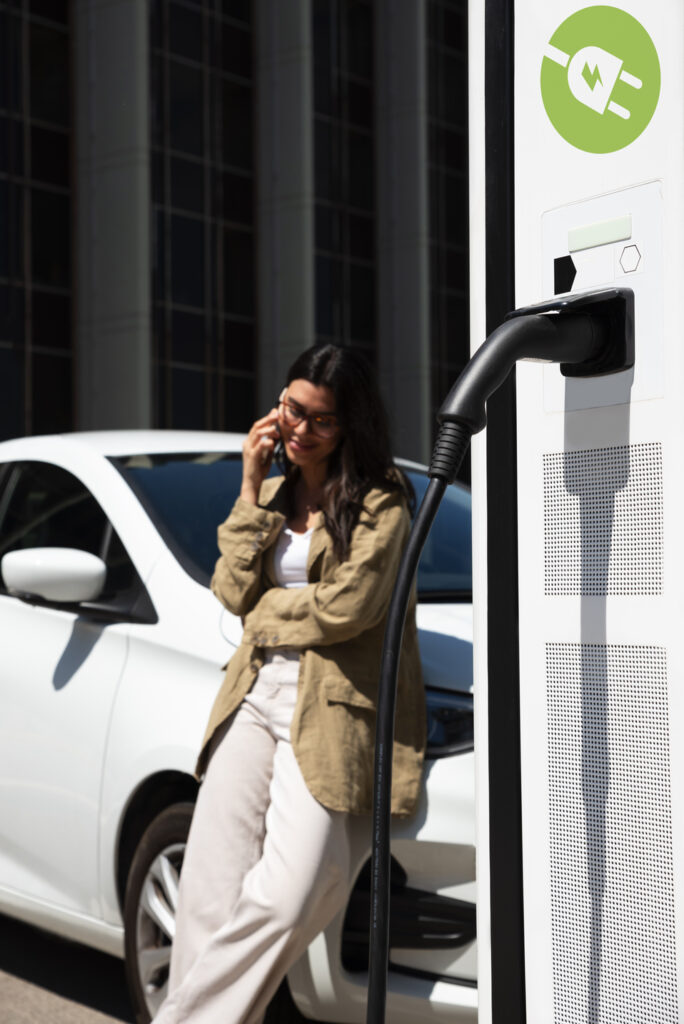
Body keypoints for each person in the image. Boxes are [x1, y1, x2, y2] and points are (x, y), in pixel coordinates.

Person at [153, 343, 425, 1024]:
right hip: (252, 695)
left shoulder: (383, 498)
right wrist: (248, 485)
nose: (299, 430)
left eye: (321, 421)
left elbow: (349, 607)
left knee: (292, 894)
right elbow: (230, 587)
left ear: (350, 426)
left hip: (329, 707)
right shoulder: (275, 492)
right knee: (209, 896)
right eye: (291, 410)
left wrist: (266, 616)